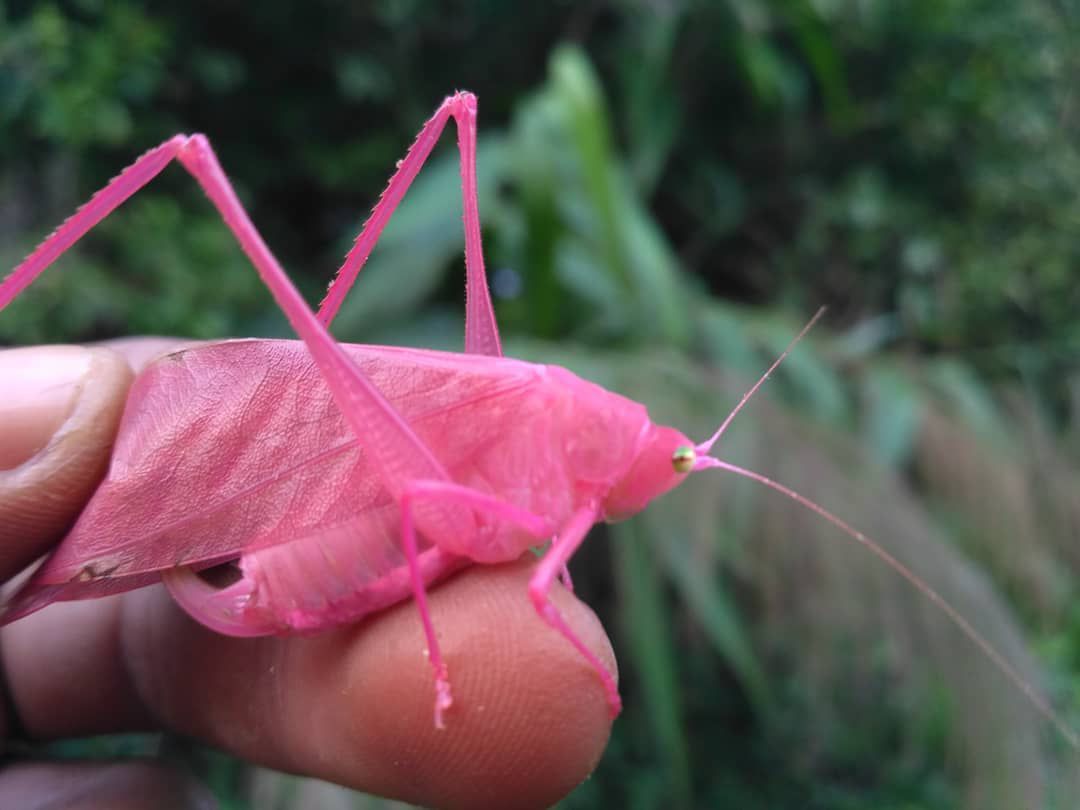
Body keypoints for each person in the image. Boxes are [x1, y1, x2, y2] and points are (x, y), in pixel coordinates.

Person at [0, 341, 615, 809]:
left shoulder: (569, 475)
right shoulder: (554, 422)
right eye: (678, 458)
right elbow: (538, 581)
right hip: (384, 524)